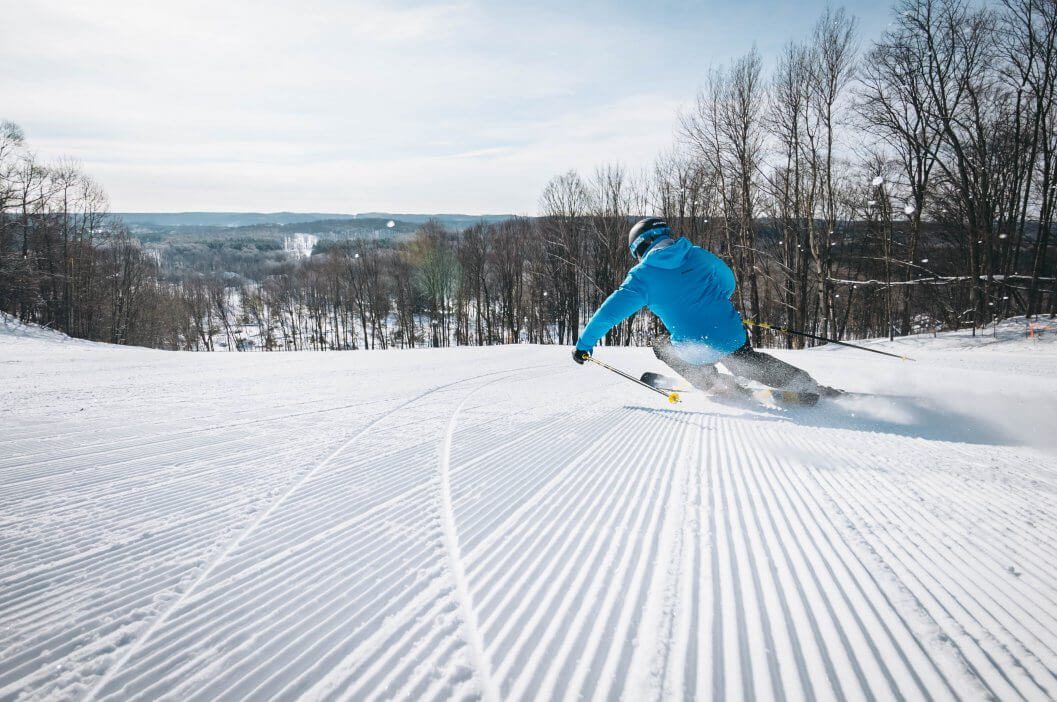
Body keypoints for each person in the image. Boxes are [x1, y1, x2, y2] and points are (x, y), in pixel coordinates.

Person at [572, 217, 830, 400]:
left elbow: (608, 314)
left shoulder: (642, 277)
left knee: (661, 343)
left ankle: (713, 383)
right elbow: (728, 281)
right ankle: (800, 382)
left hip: (694, 348)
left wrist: (584, 346)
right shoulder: (697, 254)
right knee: (744, 360)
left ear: (639, 247)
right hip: (731, 334)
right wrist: (714, 302)